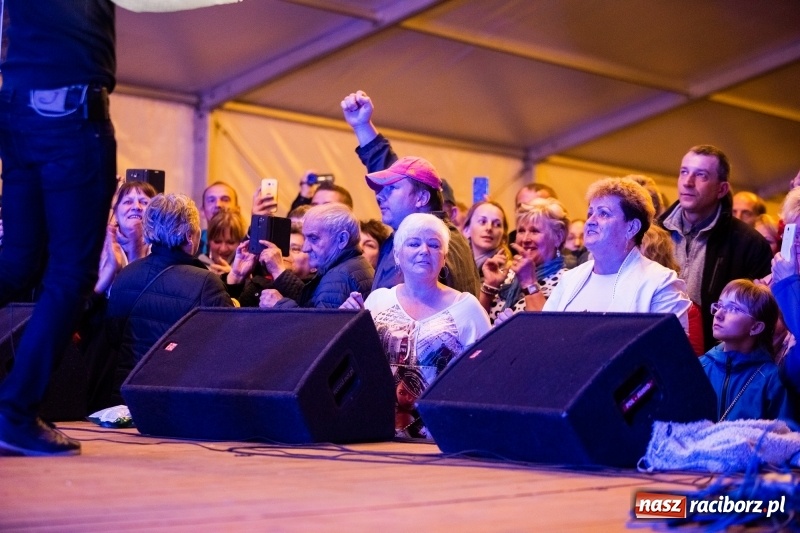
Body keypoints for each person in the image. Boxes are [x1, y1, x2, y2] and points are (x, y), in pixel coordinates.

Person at [0, 0, 119, 456]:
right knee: (70, 275)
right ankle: (13, 413)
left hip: (17, 103)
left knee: (17, 264)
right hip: (68, 111)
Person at [341, 213, 491, 439]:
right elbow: (358, 366)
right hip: (378, 437)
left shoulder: (467, 308)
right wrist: (346, 324)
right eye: (414, 243)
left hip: (442, 438)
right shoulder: (378, 301)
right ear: (397, 255)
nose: (424, 250)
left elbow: (484, 376)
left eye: (434, 244)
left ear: (444, 257)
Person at [340, 90, 480, 296]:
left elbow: (419, 315)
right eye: (381, 189)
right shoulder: (418, 232)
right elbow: (391, 169)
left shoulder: (433, 239)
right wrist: (362, 125)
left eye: (391, 189)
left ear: (422, 198)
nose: (379, 196)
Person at [104, 194, 233, 406]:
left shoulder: (126, 274)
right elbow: (225, 349)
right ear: (191, 236)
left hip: (126, 398)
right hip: (177, 401)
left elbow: (113, 337)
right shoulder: (205, 282)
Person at [659, 145, 773, 350]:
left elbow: (760, 317)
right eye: (684, 172)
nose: (688, 182)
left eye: (701, 175)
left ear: (721, 189)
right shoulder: (655, 234)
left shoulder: (749, 244)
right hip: (655, 350)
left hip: (717, 362)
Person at [539, 178, 691, 329]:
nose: (591, 221)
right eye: (590, 213)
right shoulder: (570, 280)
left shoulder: (660, 283)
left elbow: (669, 350)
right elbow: (545, 334)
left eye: (603, 214)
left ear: (632, 227)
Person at [699, 280, 792, 422]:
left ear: (755, 327)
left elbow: (785, 438)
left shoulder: (771, 379)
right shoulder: (700, 367)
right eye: (720, 305)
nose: (718, 314)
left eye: (733, 309)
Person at [258, 203, 373, 309]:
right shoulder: (354, 264)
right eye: (306, 238)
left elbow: (317, 329)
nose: (305, 248)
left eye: (313, 238)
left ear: (342, 239)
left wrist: (279, 304)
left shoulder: (338, 277)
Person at [482, 199, 569, 323]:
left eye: (535, 231)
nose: (525, 239)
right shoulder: (508, 275)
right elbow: (475, 328)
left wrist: (528, 282)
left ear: (558, 237)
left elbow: (546, 331)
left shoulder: (568, 282)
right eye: (521, 231)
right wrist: (490, 286)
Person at [461, 200, 510, 276]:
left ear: (503, 236)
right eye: (482, 222)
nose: (489, 228)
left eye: (497, 224)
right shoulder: (456, 266)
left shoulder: (507, 271)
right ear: (467, 230)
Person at [198, 181, 238, 256]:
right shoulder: (192, 246)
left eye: (225, 199)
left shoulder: (248, 244)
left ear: (237, 210)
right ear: (202, 211)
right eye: (211, 200)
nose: (218, 205)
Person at [204, 206, 246, 276]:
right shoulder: (197, 267)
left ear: (240, 243)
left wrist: (234, 277)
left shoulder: (247, 270)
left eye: (230, 242)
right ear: (209, 240)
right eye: (217, 241)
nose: (223, 249)